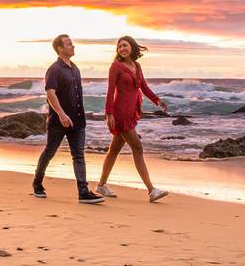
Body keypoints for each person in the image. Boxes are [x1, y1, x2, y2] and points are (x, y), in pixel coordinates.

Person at [32, 34, 105, 204]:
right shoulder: (54, 69)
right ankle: (37, 183)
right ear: (60, 48)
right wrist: (61, 114)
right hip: (59, 121)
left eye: (72, 44)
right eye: (69, 44)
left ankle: (83, 191)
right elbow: (50, 93)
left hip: (78, 121)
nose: (73, 46)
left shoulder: (75, 69)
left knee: (78, 155)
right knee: (49, 152)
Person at [95, 36, 169, 202]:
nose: (122, 48)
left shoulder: (137, 66)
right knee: (137, 147)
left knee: (114, 150)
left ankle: (101, 185)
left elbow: (143, 86)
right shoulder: (116, 67)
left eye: (125, 45)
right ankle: (151, 190)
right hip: (120, 112)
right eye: (119, 46)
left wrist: (157, 100)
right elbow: (110, 91)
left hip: (131, 111)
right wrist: (109, 114)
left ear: (132, 47)